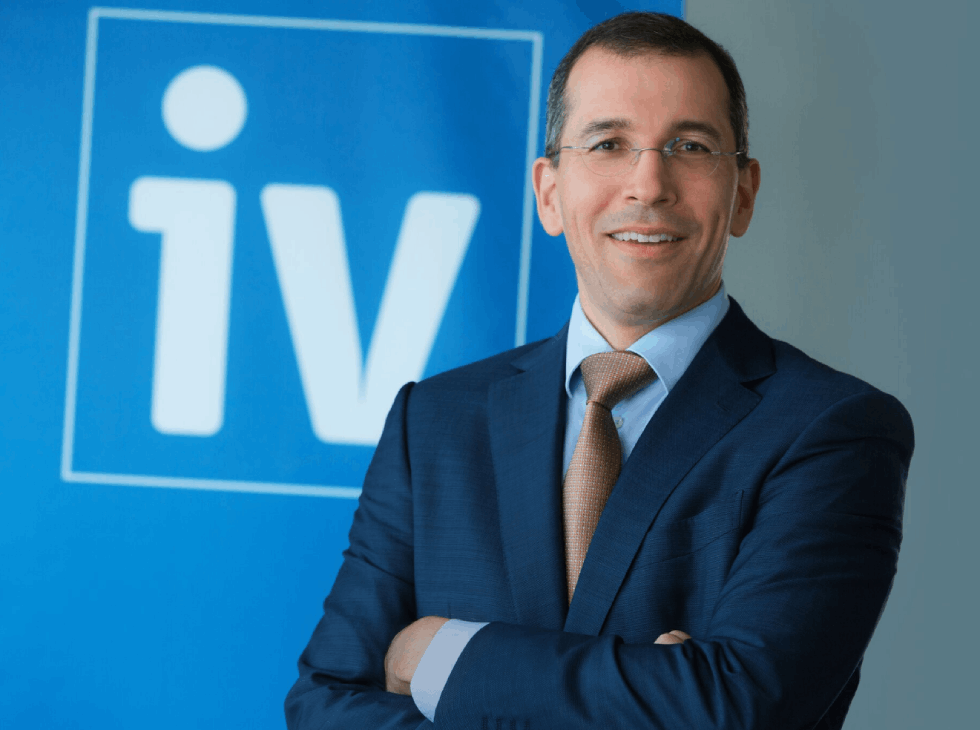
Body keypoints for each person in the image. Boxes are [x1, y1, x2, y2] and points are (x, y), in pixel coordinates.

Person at [285, 11, 913, 730]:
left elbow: (738, 710)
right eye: (609, 143)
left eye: (690, 145)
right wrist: (657, 689)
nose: (648, 184)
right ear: (549, 192)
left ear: (743, 193)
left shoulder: (834, 431)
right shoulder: (432, 422)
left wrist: (444, 656)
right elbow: (324, 705)